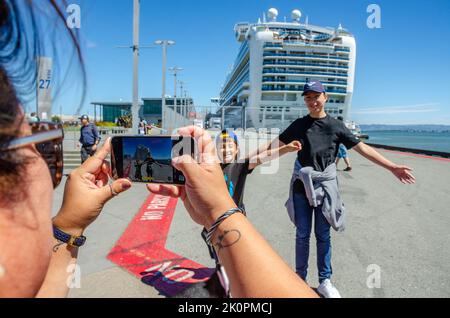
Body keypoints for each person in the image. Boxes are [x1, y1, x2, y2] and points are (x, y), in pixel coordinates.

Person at [253, 81, 416, 298]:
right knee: (302, 235)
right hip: (302, 186)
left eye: (316, 96)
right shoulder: (299, 124)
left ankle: (324, 281)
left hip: (326, 188)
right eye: (308, 98)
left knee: (323, 234)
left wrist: (392, 167)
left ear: (325, 97)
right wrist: (248, 160)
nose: (312, 101)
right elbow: (274, 144)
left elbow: (363, 148)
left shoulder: (335, 125)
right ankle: (299, 278)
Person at [148, 126, 318, 298]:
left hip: (235, 222)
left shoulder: (240, 165)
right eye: (221, 145)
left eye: (230, 145)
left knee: (237, 259)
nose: (226, 148)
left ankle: (233, 286)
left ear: (237, 149)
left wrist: (285, 149)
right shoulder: (209, 168)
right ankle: (225, 282)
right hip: (211, 224)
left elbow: (262, 157)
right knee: (220, 258)